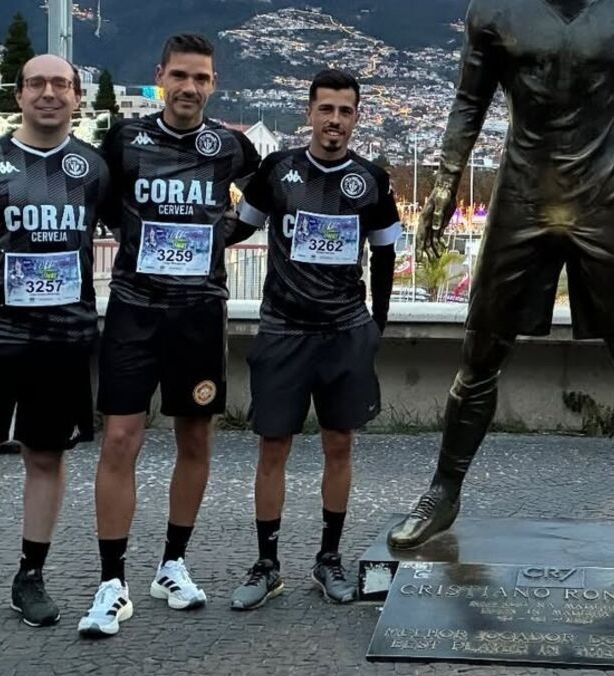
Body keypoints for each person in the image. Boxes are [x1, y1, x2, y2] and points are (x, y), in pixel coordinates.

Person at [386, 0, 614, 559]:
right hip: (523, 195)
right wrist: (445, 181)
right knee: (479, 356)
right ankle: (442, 492)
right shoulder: (495, 9)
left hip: (604, 196)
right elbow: (468, 102)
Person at [78, 33, 261, 637]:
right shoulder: (125, 139)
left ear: (214, 84)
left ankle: (172, 565)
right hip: (134, 308)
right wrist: (132, 235)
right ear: (160, 77)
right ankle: (112, 582)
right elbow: (100, 202)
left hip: (199, 313)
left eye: (201, 78)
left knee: (196, 439)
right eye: (180, 75)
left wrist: (221, 235)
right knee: (120, 439)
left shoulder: (229, 146)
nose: (189, 87)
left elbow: (266, 195)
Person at [0, 55, 107, 632]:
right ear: (19, 95)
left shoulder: (93, 168)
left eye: (62, 84)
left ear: (77, 97)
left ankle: (31, 576)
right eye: (37, 83)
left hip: (62, 339)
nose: (49, 93)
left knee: (45, 456)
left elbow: (134, 230)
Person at [228, 69, 399, 610]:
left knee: (339, 444)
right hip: (283, 329)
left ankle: (329, 559)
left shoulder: (372, 179)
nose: (335, 121)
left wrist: (376, 325)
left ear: (357, 117)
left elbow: (386, 254)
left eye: (345, 111)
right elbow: (239, 226)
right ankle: (267, 564)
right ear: (309, 112)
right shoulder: (277, 170)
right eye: (326, 109)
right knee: (273, 446)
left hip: (345, 332)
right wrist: (182, 228)